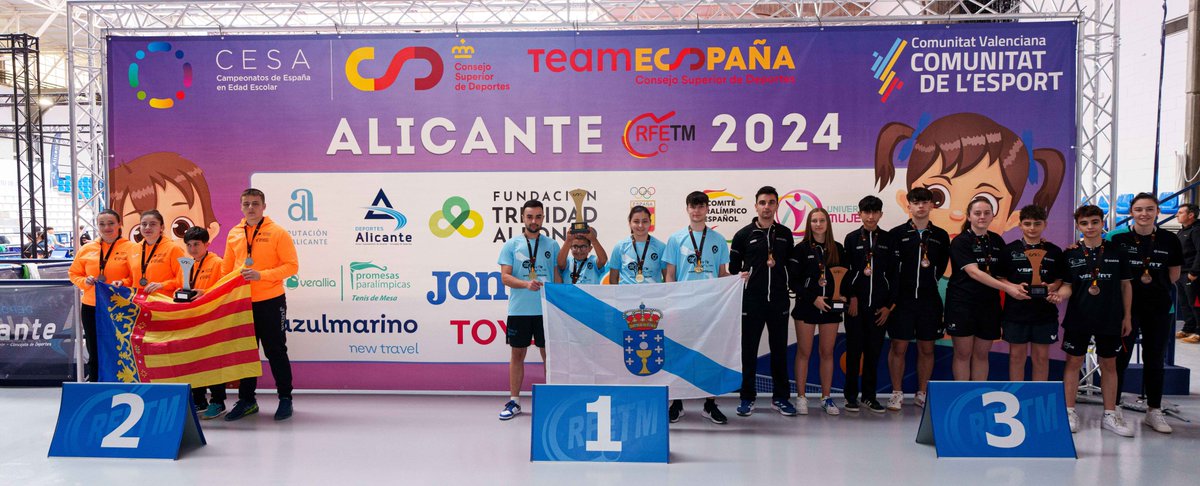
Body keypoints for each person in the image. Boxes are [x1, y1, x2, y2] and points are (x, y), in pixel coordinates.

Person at [219, 188, 299, 422]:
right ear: (241, 206)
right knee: (246, 353)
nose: (251, 208)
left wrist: (261, 275)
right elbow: (226, 269)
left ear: (264, 206)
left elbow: (291, 266)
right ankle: (247, 400)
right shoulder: (234, 233)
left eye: (255, 203)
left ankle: (285, 398)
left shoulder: (278, 232)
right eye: (246, 204)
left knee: (275, 350)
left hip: (271, 301)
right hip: (242, 303)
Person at [1056, 204, 1134, 437]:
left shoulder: (1117, 252)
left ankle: (1110, 414)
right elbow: (1068, 286)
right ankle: (1070, 411)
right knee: (1073, 362)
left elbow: (1126, 286)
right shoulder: (1069, 254)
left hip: (1110, 318)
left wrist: (1127, 316)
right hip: (1078, 318)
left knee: (1109, 364)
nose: (1090, 227)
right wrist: (1058, 295)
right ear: (1078, 225)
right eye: (1084, 223)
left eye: (1094, 222)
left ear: (1102, 223)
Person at [1111, 193, 1182, 434]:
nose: (1144, 214)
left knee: (1155, 359)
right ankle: (1115, 407)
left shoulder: (1169, 239)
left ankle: (1154, 410)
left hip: (1158, 307)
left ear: (1157, 211)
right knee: (1120, 358)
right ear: (1131, 212)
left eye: (1149, 209)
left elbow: (1174, 274)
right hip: (1125, 309)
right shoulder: (1117, 239)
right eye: (1139, 209)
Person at [664, 191, 731, 425]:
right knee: (680, 353)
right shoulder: (675, 239)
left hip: (710, 308)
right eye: (693, 206)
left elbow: (723, 274)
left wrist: (736, 282)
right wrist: (671, 303)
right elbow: (670, 274)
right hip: (682, 308)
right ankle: (678, 403)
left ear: (707, 209)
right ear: (687, 209)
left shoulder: (718, 240)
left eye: (701, 206)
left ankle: (710, 404)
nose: (697, 211)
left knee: (711, 354)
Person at [730, 186, 796, 417]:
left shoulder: (786, 234)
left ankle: (781, 398)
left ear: (777, 205)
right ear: (756, 205)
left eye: (771, 202)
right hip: (751, 302)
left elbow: (792, 265)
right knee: (749, 351)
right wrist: (740, 275)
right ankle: (747, 397)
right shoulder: (743, 235)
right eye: (762, 202)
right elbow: (732, 268)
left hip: (778, 301)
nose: (766, 207)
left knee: (780, 351)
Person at [945, 197, 1028, 381]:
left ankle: (977, 395)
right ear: (969, 216)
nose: (982, 217)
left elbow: (1000, 275)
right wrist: (1007, 289)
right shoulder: (960, 241)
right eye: (977, 213)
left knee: (982, 355)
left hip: (989, 306)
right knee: (963, 354)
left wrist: (1013, 286)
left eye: (986, 213)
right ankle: (962, 398)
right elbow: (974, 273)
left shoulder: (997, 241)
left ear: (992, 216)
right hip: (962, 305)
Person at [885, 187, 950, 410]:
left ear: (931, 205)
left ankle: (921, 393)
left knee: (927, 348)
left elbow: (939, 268)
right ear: (908, 205)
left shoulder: (941, 236)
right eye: (916, 202)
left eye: (925, 202)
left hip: (929, 301)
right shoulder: (895, 234)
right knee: (898, 347)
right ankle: (896, 393)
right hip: (901, 301)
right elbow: (890, 269)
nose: (921, 206)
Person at [497, 200, 561, 420]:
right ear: (523, 218)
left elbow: (557, 277)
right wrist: (526, 284)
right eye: (530, 217)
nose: (534, 221)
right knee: (517, 354)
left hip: (545, 310)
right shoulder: (511, 244)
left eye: (538, 217)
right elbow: (504, 277)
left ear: (543, 218)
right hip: (519, 310)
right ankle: (514, 401)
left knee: (549, 356)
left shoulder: (552, 245)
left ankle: (552, 399)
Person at [789, 207, 847, 415]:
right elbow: (793, 281)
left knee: (827, 352)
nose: (818, 224)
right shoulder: (801, 249)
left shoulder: (838, 248)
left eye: (822, 220)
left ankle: (826, 397)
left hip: (831, 308)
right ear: (809, 224)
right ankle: (802, 397)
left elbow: (845, 279)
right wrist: (813, 298)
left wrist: (844, 295)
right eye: (814, 220)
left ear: (828, 223)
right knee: (804, 352)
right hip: (807, 305)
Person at [997, 205, 1065, 381]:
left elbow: (1059, 280)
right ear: (1020, 225)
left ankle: (1038, 397)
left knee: (1041, 358)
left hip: (1044, 313)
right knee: (1016, 357)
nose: (1032, 228)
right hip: (1015, 313)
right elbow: (1000, 278)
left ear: (1045, 225)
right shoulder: (1009, 250)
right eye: (1027, 224)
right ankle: (1017, 397)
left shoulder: (1055, 251)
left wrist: (1051, 287)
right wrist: (1012, 286)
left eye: (1037, 223)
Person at [67, 209, 134, 382]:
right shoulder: (87, 248)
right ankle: (96, 383)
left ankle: (124, 382)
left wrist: (124, 282)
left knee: (122, 346)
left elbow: (136, 276)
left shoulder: (132, 248)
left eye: (111, 223)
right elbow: (74, 274)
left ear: (120, 224)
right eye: (102, 224)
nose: (107, 227)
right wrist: (84, 282)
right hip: (92, 306)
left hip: (121, 307)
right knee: (94, 347)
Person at [842, 195, 895, 413]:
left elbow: (894, 275)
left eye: (875, 212)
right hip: (855, 307)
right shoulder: (851, 238)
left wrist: (889, 306)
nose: (871, 216)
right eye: (866, 212)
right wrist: (851, 296)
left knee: (874, 353)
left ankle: (870, 396)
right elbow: (845, 273)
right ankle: (850, 397)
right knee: (854, 352)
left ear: (881, 214)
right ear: (860, 213)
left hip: (879, 309)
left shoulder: (889, 239)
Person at [111, 152, 223, 246]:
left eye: (181, 228)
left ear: (210, 230)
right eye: (138, 235)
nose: (165, 241)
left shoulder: (215, 264)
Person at [180, 226, 228, 419]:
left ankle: (218, 400)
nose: (192, 248)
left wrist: (205, 294)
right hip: (193, 320)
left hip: (212, 320)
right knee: (195, 360)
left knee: (213, 362)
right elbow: (182, 287)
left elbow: (224, 289)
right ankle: (199, 399)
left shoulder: (217, 263)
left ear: (207, 244)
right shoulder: (187, 264)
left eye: (197, 244)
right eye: (189, 245)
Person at [128, 211, 184, 297]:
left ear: (162, 227)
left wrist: (163, 285)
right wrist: (122, 282)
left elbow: (183, 280)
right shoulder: (133, 249)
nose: (147, 227)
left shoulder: (173, 249)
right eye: (144, 224)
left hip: (162, 303)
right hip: (138, 304)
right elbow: (131, 279)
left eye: (152, 224)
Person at [607, 206, 667, 284]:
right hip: (626, 295)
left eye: (645, 221)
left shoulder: (661, 247)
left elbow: (667, 278)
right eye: (636, 221)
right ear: (630, 223)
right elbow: (613, 279)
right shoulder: (620, 247)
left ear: (650, 222)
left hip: (653, 295)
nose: (640, 225)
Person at [1176, 203, 1200, 343]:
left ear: (1191, 215)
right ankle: (1188, 327)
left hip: (1192, 273)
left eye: (1180, 212)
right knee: (1184, 302)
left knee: (1195, 302)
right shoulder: (1182, 230)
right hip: (1181, 272)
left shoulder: (1197, 230)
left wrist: (1194, 272)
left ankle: (1198, 331)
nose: (1177, 215)